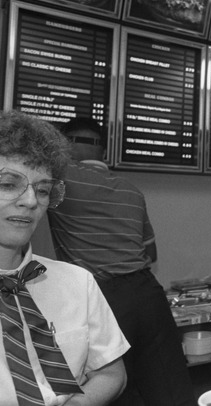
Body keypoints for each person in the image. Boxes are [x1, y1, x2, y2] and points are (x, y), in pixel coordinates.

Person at [46, 117, 194, 406]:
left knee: (113, 387)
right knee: (170, 386)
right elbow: (150, 254)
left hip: (103, 297)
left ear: (65, 148)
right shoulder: (131, 189)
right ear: (103, 150)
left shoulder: (61, 180)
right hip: (148, 296)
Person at [0, 110, 129, 405]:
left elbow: (111, 373)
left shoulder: (77, 282)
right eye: (8, 184)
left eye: (42, 190)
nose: (31, 201)